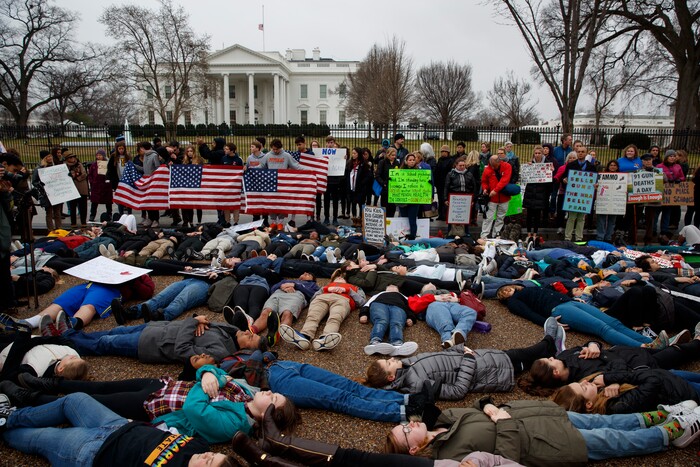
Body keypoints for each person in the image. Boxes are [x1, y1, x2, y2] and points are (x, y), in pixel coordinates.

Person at [386, 398, 700, 460]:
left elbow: (479, 406)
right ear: (413, 449)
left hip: (541, 415)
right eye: (406, 432)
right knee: (613, 440)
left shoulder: (443, 421)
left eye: (403, 424)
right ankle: (672, 433)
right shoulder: (451, 455)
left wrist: (490, 408)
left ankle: (657, 418)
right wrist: (503, 422)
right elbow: (505, 459)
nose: (410, 424)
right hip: (545, 441)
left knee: (607, 422)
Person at [0, 393, 236, 466]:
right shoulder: (199, 445)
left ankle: (4, 430)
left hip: (93, 451)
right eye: (214, 455)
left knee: (41, 438)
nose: (207, 455)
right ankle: (11, 417)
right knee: (74, 400)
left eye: (208, 463)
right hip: (118, 424)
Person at [364, 322, 562, 399]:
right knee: (529, 354)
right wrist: (467, 358)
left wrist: (459, 348)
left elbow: (441, 358)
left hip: (483, 359)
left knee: (525, 355)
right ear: (391, 377)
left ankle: (550, 345)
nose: (391, 358)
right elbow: (457, 391)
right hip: (490, 371)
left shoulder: (408, 364)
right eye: (388, 363)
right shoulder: (417, 385)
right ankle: (550, 342)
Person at [498, 284, 652, 347]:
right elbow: (529, 314)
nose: (506, 291)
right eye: (502, 294)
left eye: (505, 288)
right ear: (504, 299)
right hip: (559, 310)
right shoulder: (514, 301)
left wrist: (571, 298)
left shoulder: (525, 288)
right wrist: (549, 322)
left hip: (569, 302)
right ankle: (642, 347)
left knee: (613, 322)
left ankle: (651, 342)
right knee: (602, 328)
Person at [280, 269, 366, 351]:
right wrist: (325, 289)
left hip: (342, 299)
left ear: (346, 281)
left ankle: (326, 338)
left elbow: (362, 302)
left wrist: (348, 291)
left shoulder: (354, 287)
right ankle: (304, 336)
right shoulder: (327, 286)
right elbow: (313, 298)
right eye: (337, 277)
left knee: (335, 318)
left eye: (342, 278)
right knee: (312, 316)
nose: (340, 278)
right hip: (322, 298)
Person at [552, 368, 700, 415]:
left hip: (670, 377)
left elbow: (617, 363)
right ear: (589, 404)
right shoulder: (617, 405)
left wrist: (613, 380)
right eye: (583, 387)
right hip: (681, 391)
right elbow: (653, 381)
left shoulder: (600, 390)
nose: (585, 381)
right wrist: (611, 378)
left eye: (579, 382)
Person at [360, 284, 418, 357]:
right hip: (379, 304)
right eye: (390, 286)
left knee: (397, 323)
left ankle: (397, 343)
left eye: (394, 287)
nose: (392, 287)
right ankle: (375, 342)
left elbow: (410, 307)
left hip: (399, 307)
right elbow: (367, 304)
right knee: (381, 320)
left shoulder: (403, 296)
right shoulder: (379, 294)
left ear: (398, 290)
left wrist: (411, 317)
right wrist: (364, 314)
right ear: (386, 289)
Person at [562, 145, 597, 242]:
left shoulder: (591, 167)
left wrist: (595, 185)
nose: (580, 153)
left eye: (582, 152)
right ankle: (567, 237)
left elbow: (595, 180)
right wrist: (564, 180)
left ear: (586, 154)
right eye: (579, 151)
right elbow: (564, 177)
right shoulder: (571, 165)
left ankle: (579, 238)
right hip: (573, 195)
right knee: (571, 217)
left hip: (585, 196)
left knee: (581, 218)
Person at [522, 145, 552, 241]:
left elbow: (550, 182)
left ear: (542, 154)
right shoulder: (530, 164)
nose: (537, 155)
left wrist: (551, 172)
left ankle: (535, 233)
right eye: (536, 153)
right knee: (529, 214)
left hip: (541, 193)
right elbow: (524, 178)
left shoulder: (547, 164)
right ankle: (528, 233)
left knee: (537, 215)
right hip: (530, 192)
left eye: (539, 153)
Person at [480, 152, 512, 238]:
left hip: (504, 197)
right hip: (492, 198)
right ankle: (484, 235)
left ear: (499, 162)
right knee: (488, 217)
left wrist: (495, 190)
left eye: (495, 165)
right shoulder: (487, 169)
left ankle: (496, 234)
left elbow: (504, 180)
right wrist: (485, 189)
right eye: (492, 165)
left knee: (500, 217)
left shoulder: (507, 166)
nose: (493, 167)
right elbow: (484, 181)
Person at [444, 156, 477, 237]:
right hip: (454, 198)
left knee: (465, 216)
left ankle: (466, 233)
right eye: (460, 165)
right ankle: (450, 232)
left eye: (463, 165)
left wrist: (473, 200)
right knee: (452, 216)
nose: (462, 167)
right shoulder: (450, 174)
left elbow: (474, 187)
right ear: (456, 165)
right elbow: (446, 187)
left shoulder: (469, 174)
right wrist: (445, 199)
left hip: (466, 198)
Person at [31, 151, 62, 231]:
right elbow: (34, 181)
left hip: (55, 192)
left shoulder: (55, 167)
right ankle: (50, 230)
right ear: (44, 158)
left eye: (50, 156)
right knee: (49, 213)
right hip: (46, 194)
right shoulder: (39, 169)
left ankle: (59, 228)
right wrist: (42, 185)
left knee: (57, 212)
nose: (50, 158)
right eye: (48, 157)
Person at [595, 160, 621, 242]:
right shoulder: (601, 176)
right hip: (604, 200)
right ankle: (600, 236)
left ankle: (608, 237)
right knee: (601, 220)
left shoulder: (621, 176)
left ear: (617, 167)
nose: (613, 167)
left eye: (614, 165)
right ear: (608, 166)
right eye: (611, 165)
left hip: (615, 201)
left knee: (612, 220)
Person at [397, 153, 421, 240]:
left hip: (414, 200)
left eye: (413, 160)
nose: (412, 161)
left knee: (412, 219)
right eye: (410, 160)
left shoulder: (419, 172)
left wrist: (427, 183)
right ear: (406, 161)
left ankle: (413, 237)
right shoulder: (400, 171)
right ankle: (402, 237)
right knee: (403, 219)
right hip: (403, 200)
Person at [138, 141, 161, 227]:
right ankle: (150, 218)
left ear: (143, 148)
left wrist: (153, 176)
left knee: (153, 201)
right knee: (147, 200)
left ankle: (156, 219)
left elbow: (158, 167)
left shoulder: (154, 155)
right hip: (146, 180)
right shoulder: (145, 156)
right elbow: (144, 169)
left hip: (152, 180)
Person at [63, 151, 88, 228]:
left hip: (81, 187)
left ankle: (83, 222)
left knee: (83, 205)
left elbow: (84, 174)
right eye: (70, 157)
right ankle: (73, 222)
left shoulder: (79, 164)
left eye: (73, 157)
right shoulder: (64, 166)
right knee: (72, 206)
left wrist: (75, 177)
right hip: (71, 188)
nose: (73, 159)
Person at [88, 149, 113, 222]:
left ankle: (109, 214)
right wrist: (92, 182)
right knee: (94, 202)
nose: (98, 157)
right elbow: (90, 175)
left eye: (100, 155)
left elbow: (111, 173)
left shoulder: (107, 164)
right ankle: (92, 215)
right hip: (96, 186)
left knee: (108, 202)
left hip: (106, 186)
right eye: (97, 155)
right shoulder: (93, 165)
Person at [376, 147, 400, 218]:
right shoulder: (382, 162)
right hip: (385, 189)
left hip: (393, 189)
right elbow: (378, 175)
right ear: (388, 155)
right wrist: (383, 184)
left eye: (395, 155)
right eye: (392, 155)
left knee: (392, 208)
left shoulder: (397, 163)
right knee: (385, 207)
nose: (394, 157)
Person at [435, 145, 455, 221]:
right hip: (439, 183)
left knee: (445, 199)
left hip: (446, 183)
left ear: (448, 152)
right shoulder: (440, 160)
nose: (443, 153)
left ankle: (445, 215)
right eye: (442, 151)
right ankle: (440, 214)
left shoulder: (450, 160)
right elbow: (437, 171)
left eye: (444, 151)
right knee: (440, 199)